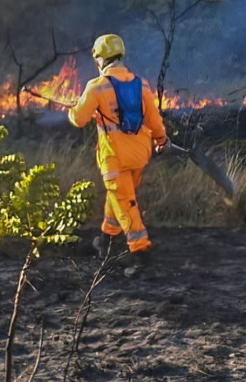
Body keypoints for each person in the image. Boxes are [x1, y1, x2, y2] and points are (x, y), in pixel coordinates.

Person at [67, 34, 169, 277]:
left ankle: (140, 251)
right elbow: (154, 118)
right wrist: (161, 139)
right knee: (120, 196)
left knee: (125, 201)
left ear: (101, 59)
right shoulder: (141, 84)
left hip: (115, 157)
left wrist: (73, 111)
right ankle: (106, 239)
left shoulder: (97, 87)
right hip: (140, 154)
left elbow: (79, 119)